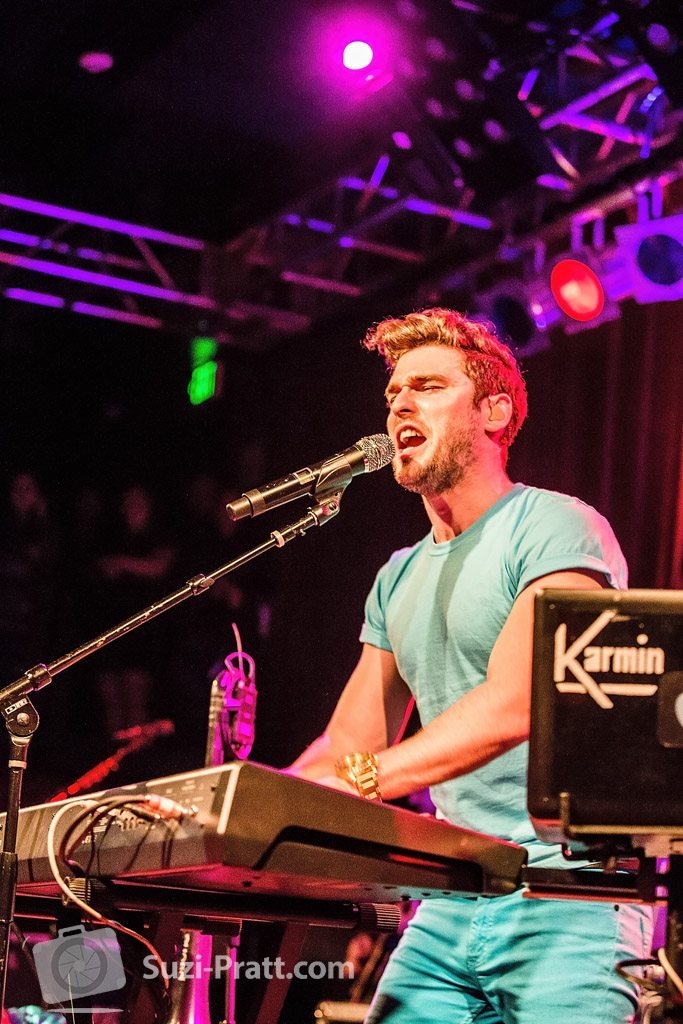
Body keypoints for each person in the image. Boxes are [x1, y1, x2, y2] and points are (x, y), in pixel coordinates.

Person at [289, 308, 653, 1024]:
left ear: (495, 412)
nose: (400, 403)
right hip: (451, 896)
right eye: (394, 392)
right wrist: (232, 804)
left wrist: (363, 779)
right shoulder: (396, 575)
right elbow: (348, 745)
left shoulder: (554, 526)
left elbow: (517, 702)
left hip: (567, 892)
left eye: (427, 386)